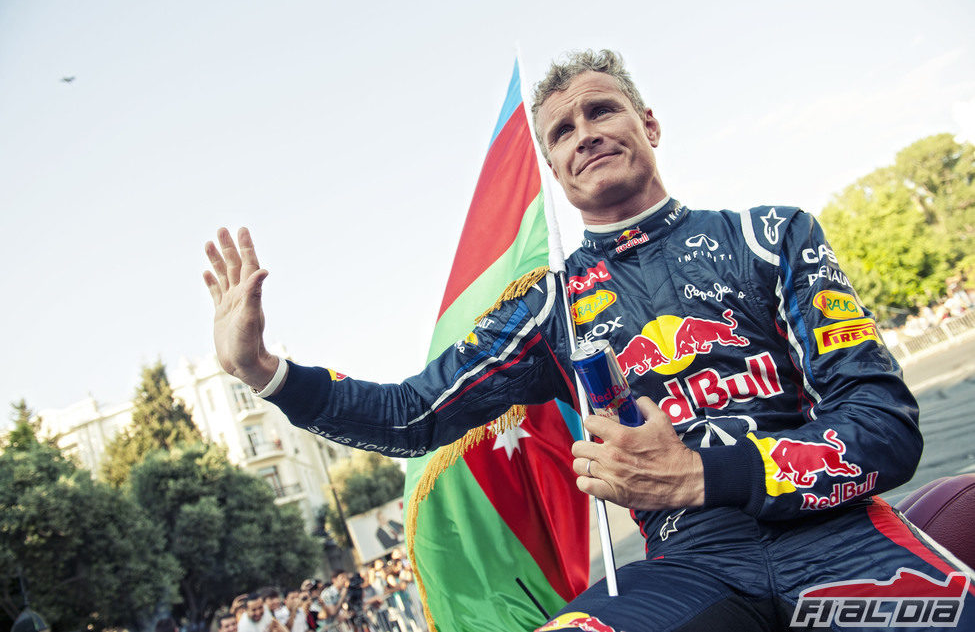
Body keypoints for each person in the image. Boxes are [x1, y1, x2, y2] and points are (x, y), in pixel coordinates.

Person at [204, 50, 974, 630]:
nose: (584, 134)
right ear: (554, 170)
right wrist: (266, 371)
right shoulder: (548, 308)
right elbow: (412, 412)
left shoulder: (772, 235)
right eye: (561, 131)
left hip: (841, 540)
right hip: (689, 569)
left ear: (649, 123)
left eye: (601, 111)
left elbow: (884, 428)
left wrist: (703, 472)